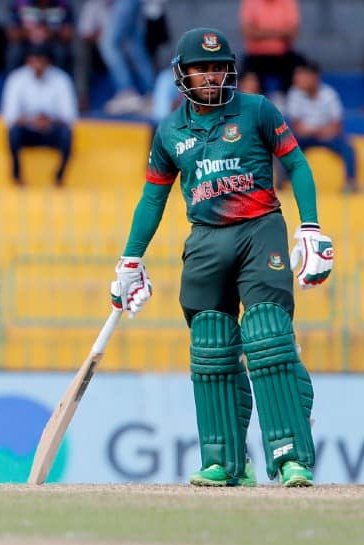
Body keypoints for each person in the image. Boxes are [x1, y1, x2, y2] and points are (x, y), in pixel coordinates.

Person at [112, 27, 331, 488]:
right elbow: (153, 200)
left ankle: (290, 456)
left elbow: (297, 164)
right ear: (182, 74)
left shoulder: (255, 110)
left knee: (267, 334)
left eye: (217, 67)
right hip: (206, 239)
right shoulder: (170, 130)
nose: (210, 76)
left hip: (259, 230)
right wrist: (130, 259)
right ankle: (226, 462)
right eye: (200, 68)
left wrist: (309, 225)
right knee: (211, 346)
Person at [0, 42, 77, 187]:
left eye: (40, 60)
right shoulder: (16, 79)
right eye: (33, 60)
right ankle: (16, 175)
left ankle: (59, 178)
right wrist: (33, 121)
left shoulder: (61, 79)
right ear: (27, 61)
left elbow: (70, 115)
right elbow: (9, 116)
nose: (37, 65)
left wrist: (49, 121)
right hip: (27, 131)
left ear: (48, 61)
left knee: (67, 134)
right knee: (13, 133)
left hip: (52, 130)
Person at [284, 60, 359, 194]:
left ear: (314, 77)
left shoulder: (329, 94)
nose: (298, 79)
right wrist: (318, 130)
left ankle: (350, 182)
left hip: (327, 136)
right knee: (285, 146)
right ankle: (284, 183)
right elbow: (297, 127)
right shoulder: (294, 94)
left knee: (348, 147)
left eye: (302, 76)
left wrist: (317, 131)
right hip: (305, 137)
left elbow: (336, 125)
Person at [239, 0, 303, 97]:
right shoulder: (250, 2)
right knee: (247, 79)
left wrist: (260, 32)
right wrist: (279, 33)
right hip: (256, 56)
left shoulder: (288, 2)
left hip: (283, 55)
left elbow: (292, 32)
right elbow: (248, 32)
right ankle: (253, 106)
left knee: (303, 72)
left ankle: (292, 105)